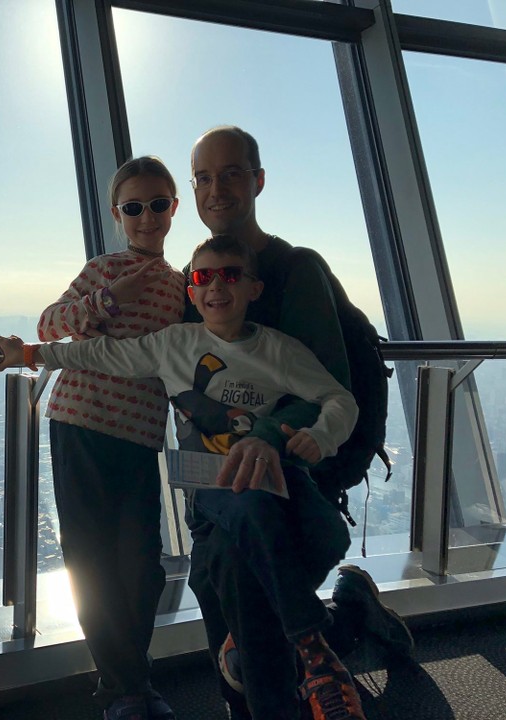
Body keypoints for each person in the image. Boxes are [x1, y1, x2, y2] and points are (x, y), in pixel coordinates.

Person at [0, 234, 367, 720]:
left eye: (230, 274)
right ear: (190, 292)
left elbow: (341, 400)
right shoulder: (176, 344)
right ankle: (314, 650)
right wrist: (32, 356)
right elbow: (103, 355)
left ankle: (252, 634)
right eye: (202, 277)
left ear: (254, 288)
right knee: (248, 506)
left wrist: (321, 437)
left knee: (330, 534)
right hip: (210, 485)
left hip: (276, 479)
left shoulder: (280, 351)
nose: (216, 286)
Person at [183, 126, 413, 720]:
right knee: (241, 609)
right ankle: (342, 622)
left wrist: (263, 436)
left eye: (231, 172)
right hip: (217, 476)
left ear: (258, 180)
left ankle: (289, 674)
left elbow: (325, 388)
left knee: (237, 596)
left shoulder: (295, 271)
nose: (216, 189)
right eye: (203, 178)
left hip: (290, 472)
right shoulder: (200, 278)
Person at [29, 155, 185, 720]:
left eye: (158, 204)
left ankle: (128, 681)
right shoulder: (102, 269)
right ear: (118, 214)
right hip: (79, 424)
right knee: (91, 559)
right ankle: (125, 687)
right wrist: (105, 300)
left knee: (141, 565)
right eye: (134, 207)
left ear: (174, 207)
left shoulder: (183, 287)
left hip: (140, 435)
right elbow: (48, 324)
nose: (148, 218)